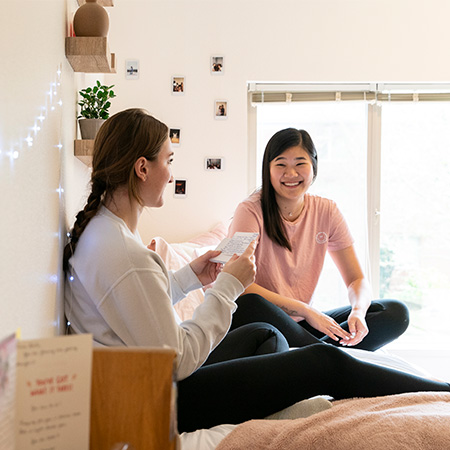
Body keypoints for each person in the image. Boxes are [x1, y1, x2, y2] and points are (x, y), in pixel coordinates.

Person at [63, 109, 450, 433]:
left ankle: (295, 381)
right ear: (142, 168)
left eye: (300, 163)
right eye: (169, 161)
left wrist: (189, 279)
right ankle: (442, 391)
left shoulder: (103, 235)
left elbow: (138, 308)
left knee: (267, 335)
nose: (171, 172)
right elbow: (177, 360)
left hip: (142, 383)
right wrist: (226, 288)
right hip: (154, 400)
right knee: (322, 361)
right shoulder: (126, 252)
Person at [228, 127, 409, 351]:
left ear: (314, 167)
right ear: (268, 169)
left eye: (300, 164)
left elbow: (356, 280)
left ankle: (320, 355)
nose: (291, 174)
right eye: (281, 164)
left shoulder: (326, 211)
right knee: (251, 305)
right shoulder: (249, 210)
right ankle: (325, 355)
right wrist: (307, 310)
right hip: (261, 321)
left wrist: (358, 312)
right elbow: (236, 284)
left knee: (394, 312)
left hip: (301, 326)